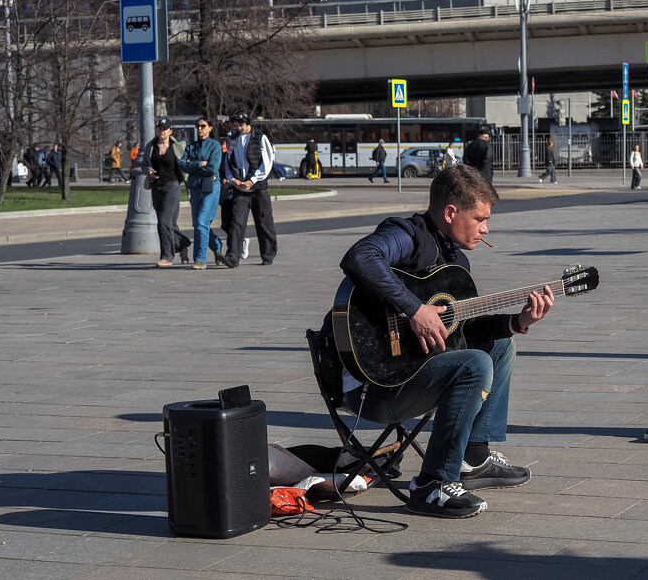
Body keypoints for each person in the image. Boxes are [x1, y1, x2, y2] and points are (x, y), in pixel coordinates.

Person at [329, 163, 554, 518]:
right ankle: (431, 484)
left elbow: (464, 333)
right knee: (474, 364)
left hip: (412, 374)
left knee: (499, 347)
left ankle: (473, 458)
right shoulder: (407, 235)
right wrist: (414, 310)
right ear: (451, 213)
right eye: (479, 218)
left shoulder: (455, 261)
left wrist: (519, 321)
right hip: (373, 383)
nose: (485, 228)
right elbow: (360, 257)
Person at [220, 110, 277, 267]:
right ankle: (232, 257)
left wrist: (252, 180)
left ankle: (268, 254)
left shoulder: (260, 137)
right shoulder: (232, 139)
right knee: (236, 222)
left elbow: (267, 162)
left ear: (247, 123)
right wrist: (233, 180)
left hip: (258, 188)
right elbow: (228, 162)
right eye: (236, 125)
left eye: (241, 125)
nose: (239, 128)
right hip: (240, 188)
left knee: (264, 221)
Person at [179, 115, 225, 270]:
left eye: (203, 126)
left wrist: (193, 166)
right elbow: (182, 164)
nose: (200, 129)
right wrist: (198, 164)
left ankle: (200, 259)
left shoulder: (215, 146)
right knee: (199, 224)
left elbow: (212, 168)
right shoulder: (191, 146)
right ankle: (217, 245)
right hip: (195, 187)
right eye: (197, 126)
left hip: (210, 186)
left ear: (210, 128)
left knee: (201, 223)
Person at [147, 118, 191, 267]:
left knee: (164, 221)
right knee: (168, 222)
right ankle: (182, 245)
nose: (162, 131)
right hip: (156, 187)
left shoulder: (177, 147)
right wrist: (149, 171)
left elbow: (185, 169)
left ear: (170, 131)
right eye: (159, 128)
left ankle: (167, 256)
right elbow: (145, 164)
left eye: (165, 129)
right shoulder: (151, 146)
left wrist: (189, 189)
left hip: (172, 185)